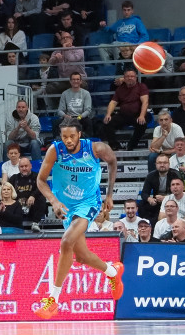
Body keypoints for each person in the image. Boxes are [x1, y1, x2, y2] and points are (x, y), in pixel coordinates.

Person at [34, 119, 124, 320]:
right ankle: (112, 271)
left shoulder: (95, 149)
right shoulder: (55, 151)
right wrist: (54, 202)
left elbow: (112, 161)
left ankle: (53, 300)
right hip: (66, 206)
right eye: (64, 136)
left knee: (66, 242)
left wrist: (109, 195)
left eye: (72, 136)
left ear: (79, 135)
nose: (68, 140)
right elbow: (40, 180)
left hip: (88, 202)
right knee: (81, 256)